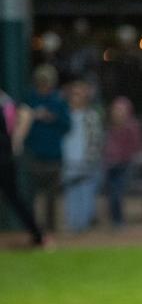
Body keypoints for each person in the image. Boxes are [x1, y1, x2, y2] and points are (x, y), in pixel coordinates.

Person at [23, 64, 71, 231]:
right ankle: (33, 228)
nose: (44, 85)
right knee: (31, 196)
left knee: (52, 197)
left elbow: (67, 125)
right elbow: (20, 124)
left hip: (54, 155)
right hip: (34, 154)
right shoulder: (30, 99)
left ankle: (51, 229)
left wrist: (53, 118)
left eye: (47, 82)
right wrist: (34, 116)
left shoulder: (58, 101)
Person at [0, 88, 47, 247]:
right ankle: (37, 234)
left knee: (14, 197)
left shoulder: (5, 102)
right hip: (6, 156)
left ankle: (37, 234)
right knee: (14, 197)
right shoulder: (6, 101)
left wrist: (17, 139)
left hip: (4, 157)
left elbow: (26, 113)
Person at [62, 80, 104, 233]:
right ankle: (72, 226)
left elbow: (97, 139)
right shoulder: (64, 114)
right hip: (68, 160)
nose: (76, 97)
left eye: (80, 94)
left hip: (87, 160)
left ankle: (83, 227)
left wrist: (92, 158)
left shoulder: (92, 115)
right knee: (71, 194)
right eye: (74, 94)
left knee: (86, 193)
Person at [102, 96, 142, 228]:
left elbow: (137, 146)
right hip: (110, 165)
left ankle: (119, 221)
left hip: (125, 165)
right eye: (116, 109)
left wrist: (126, 157)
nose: (118, 112)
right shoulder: (109, 125)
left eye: (121, 109)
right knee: (111, 194)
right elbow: (104, 146)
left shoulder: (132, 126)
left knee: (117, 193)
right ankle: (115, 220)